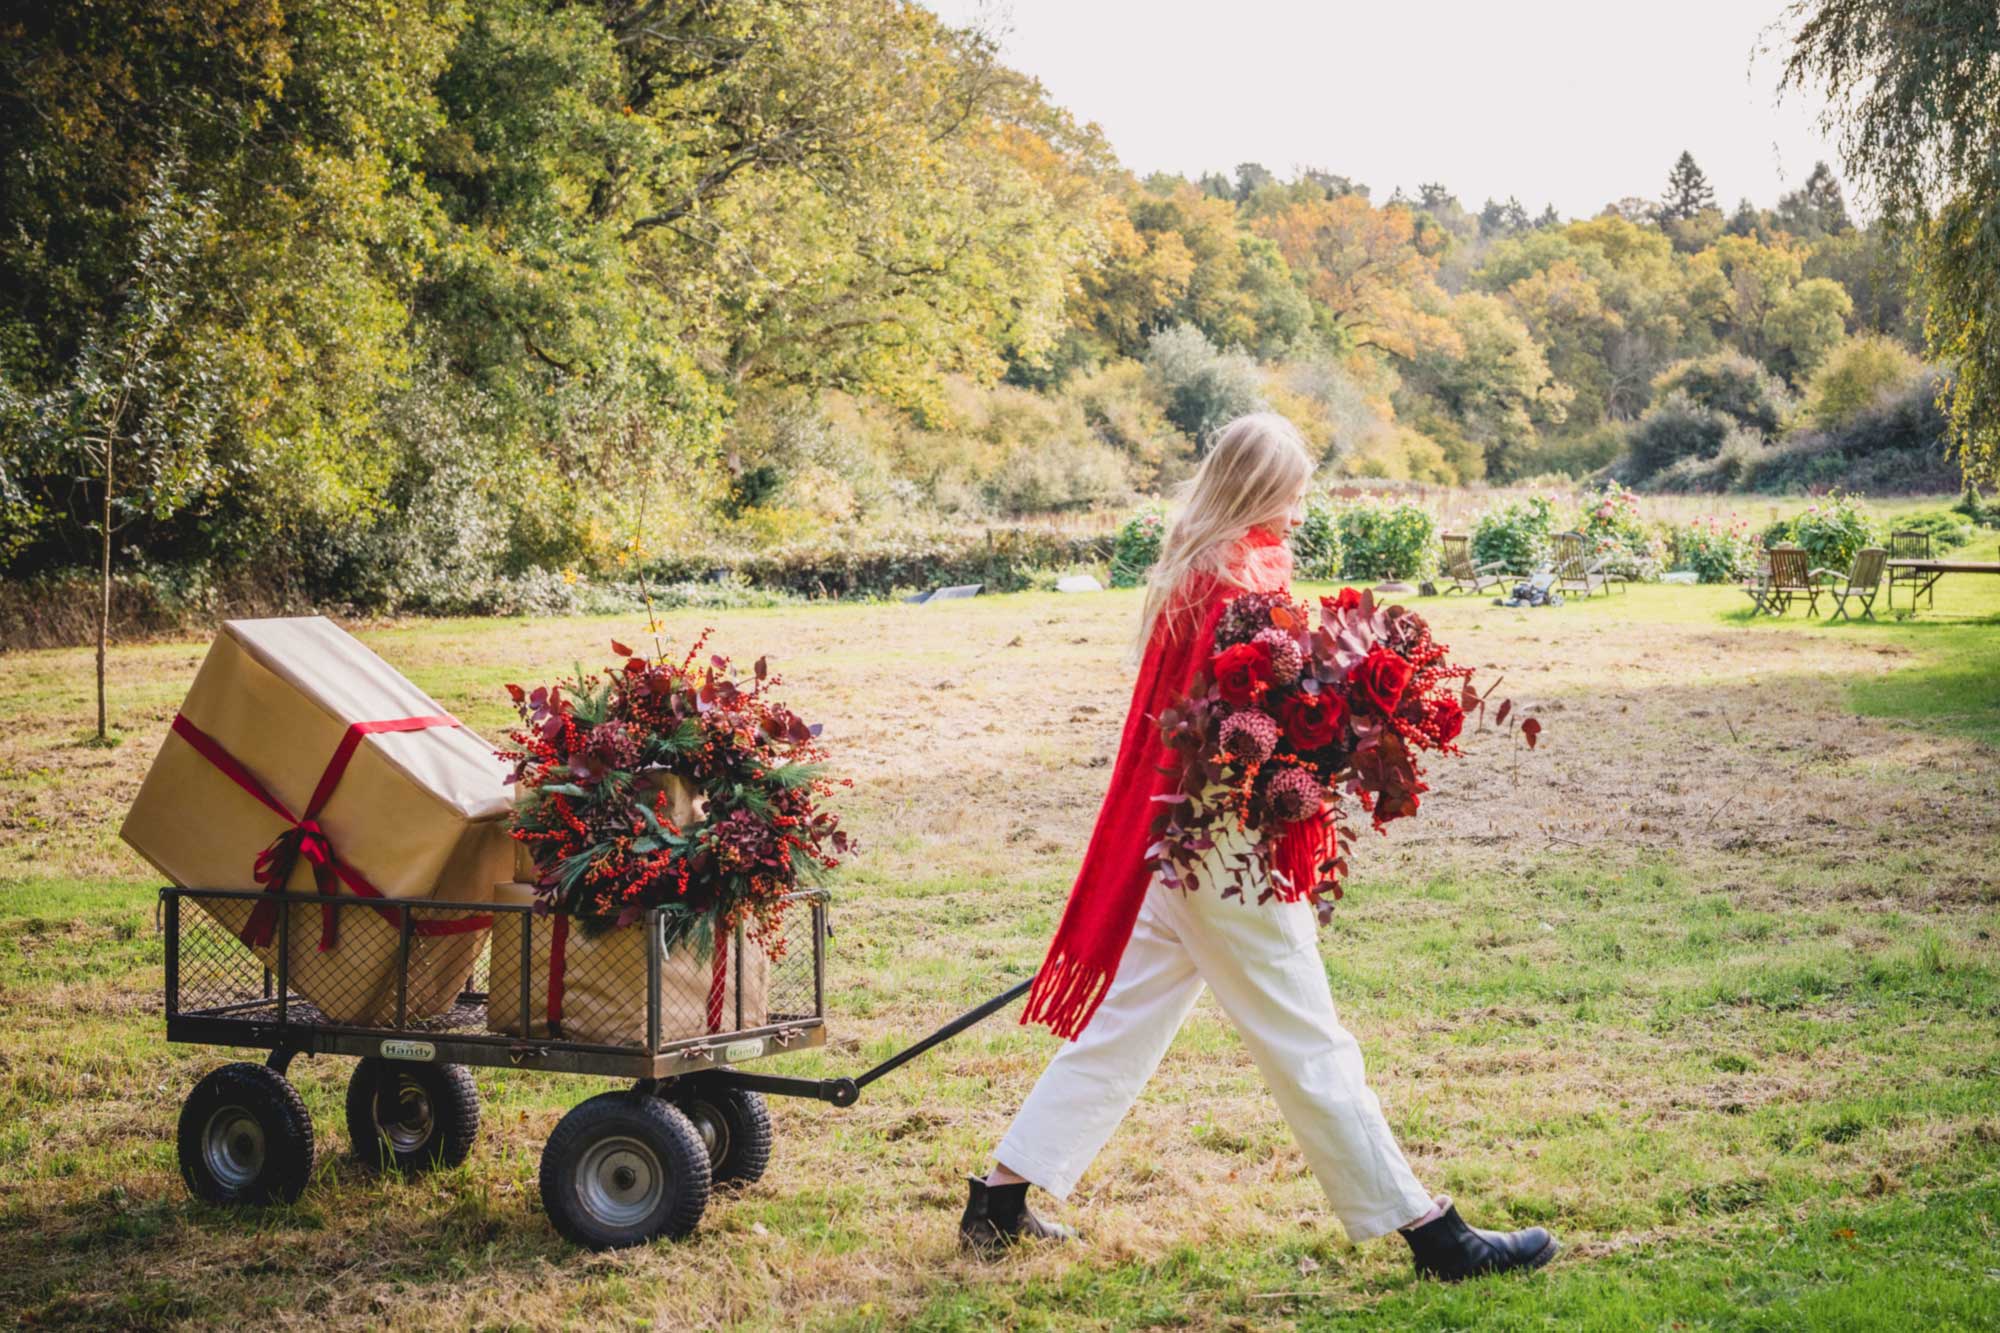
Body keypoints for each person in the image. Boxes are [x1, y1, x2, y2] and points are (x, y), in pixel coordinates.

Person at [958, 413, 1557, 1282]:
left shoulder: (1210, 568)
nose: (1304, 506)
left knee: (1121, 1027)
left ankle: (999, 1201)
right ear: (1256, 485)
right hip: (1227, 854)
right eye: (1294, 487)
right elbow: (1234, 729)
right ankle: (1429, 1231)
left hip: (1188, 847)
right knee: (1310, 1040)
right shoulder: (1223, 586)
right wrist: (1332, 735)